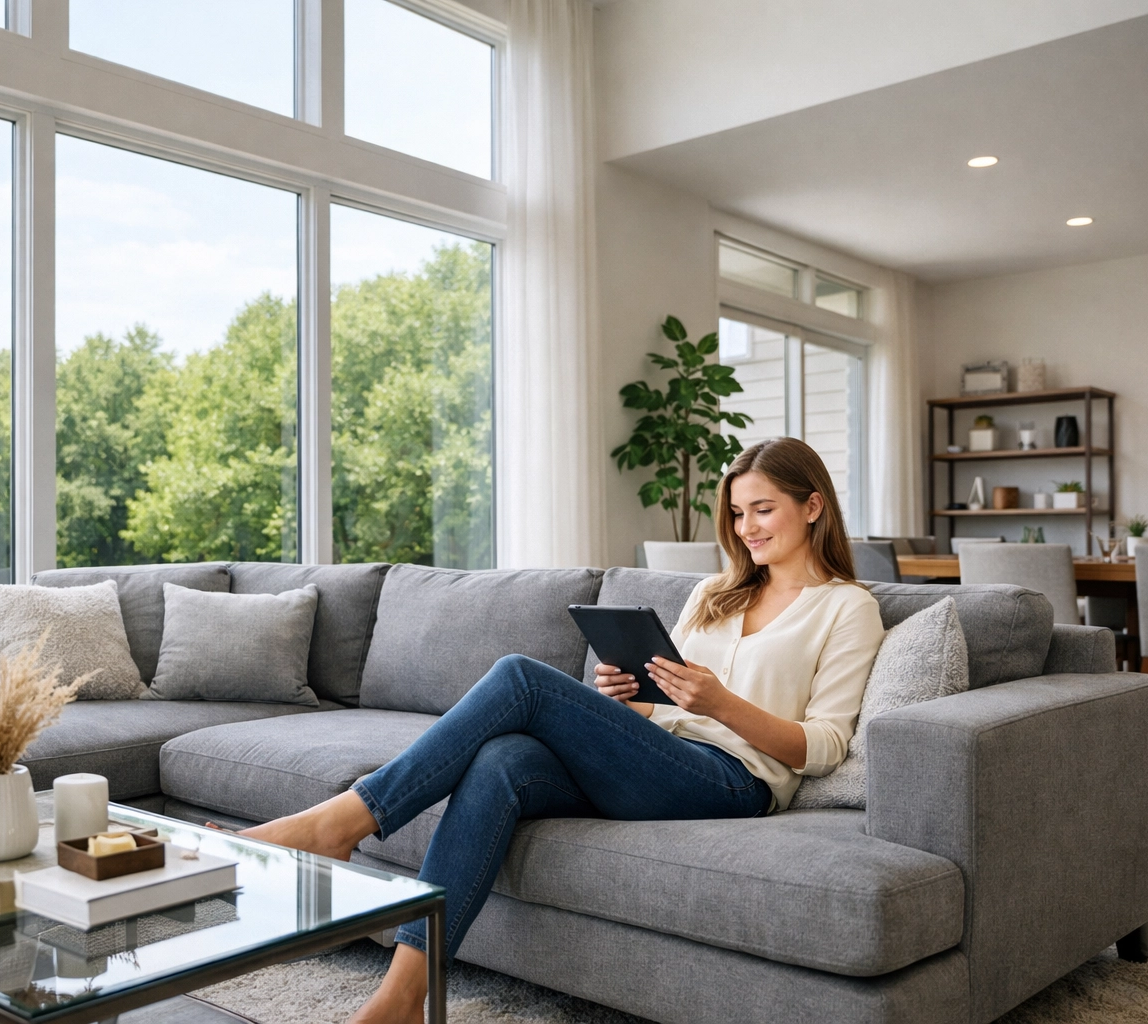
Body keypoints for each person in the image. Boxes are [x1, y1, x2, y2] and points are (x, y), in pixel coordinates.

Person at [238, 437, 885, 1024]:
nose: (746, 529)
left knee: (521, 679)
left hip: (734, 782)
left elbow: (824, 747)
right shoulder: (717, 593)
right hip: (663, 759)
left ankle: (341, 822)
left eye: (763, 510)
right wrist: (629, 702)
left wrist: (719, 704)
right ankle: (406, 995)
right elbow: (662, 710)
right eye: (738, 515)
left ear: (812, 506)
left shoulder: (847, 607)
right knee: (501, 759)